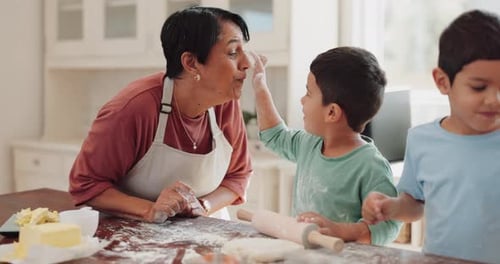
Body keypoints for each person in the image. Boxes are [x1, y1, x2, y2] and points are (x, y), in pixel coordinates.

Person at [69, 6, 253, 223]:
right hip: (132, 239)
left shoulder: (225, 104)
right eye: (233, 53)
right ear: (191, 63)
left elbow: (237, 176)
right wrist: (150, 209)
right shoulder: (133, 109)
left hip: (205, 235)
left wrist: (203, 207)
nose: (247, 63)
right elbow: (86, 185)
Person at [361, 10, 500, 263]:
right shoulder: (421, 140)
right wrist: (391, 207)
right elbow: (415, 205)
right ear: (442, 81)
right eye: (479, 87)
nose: (494, 100)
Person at [249, 47, 401, 246]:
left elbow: (389, 226)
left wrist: (340, 231)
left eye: (308, 93)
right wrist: (261, 89)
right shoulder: (308, 144)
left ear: (332, 113)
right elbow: (274, 135)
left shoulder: (371, 166)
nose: (302, 100)